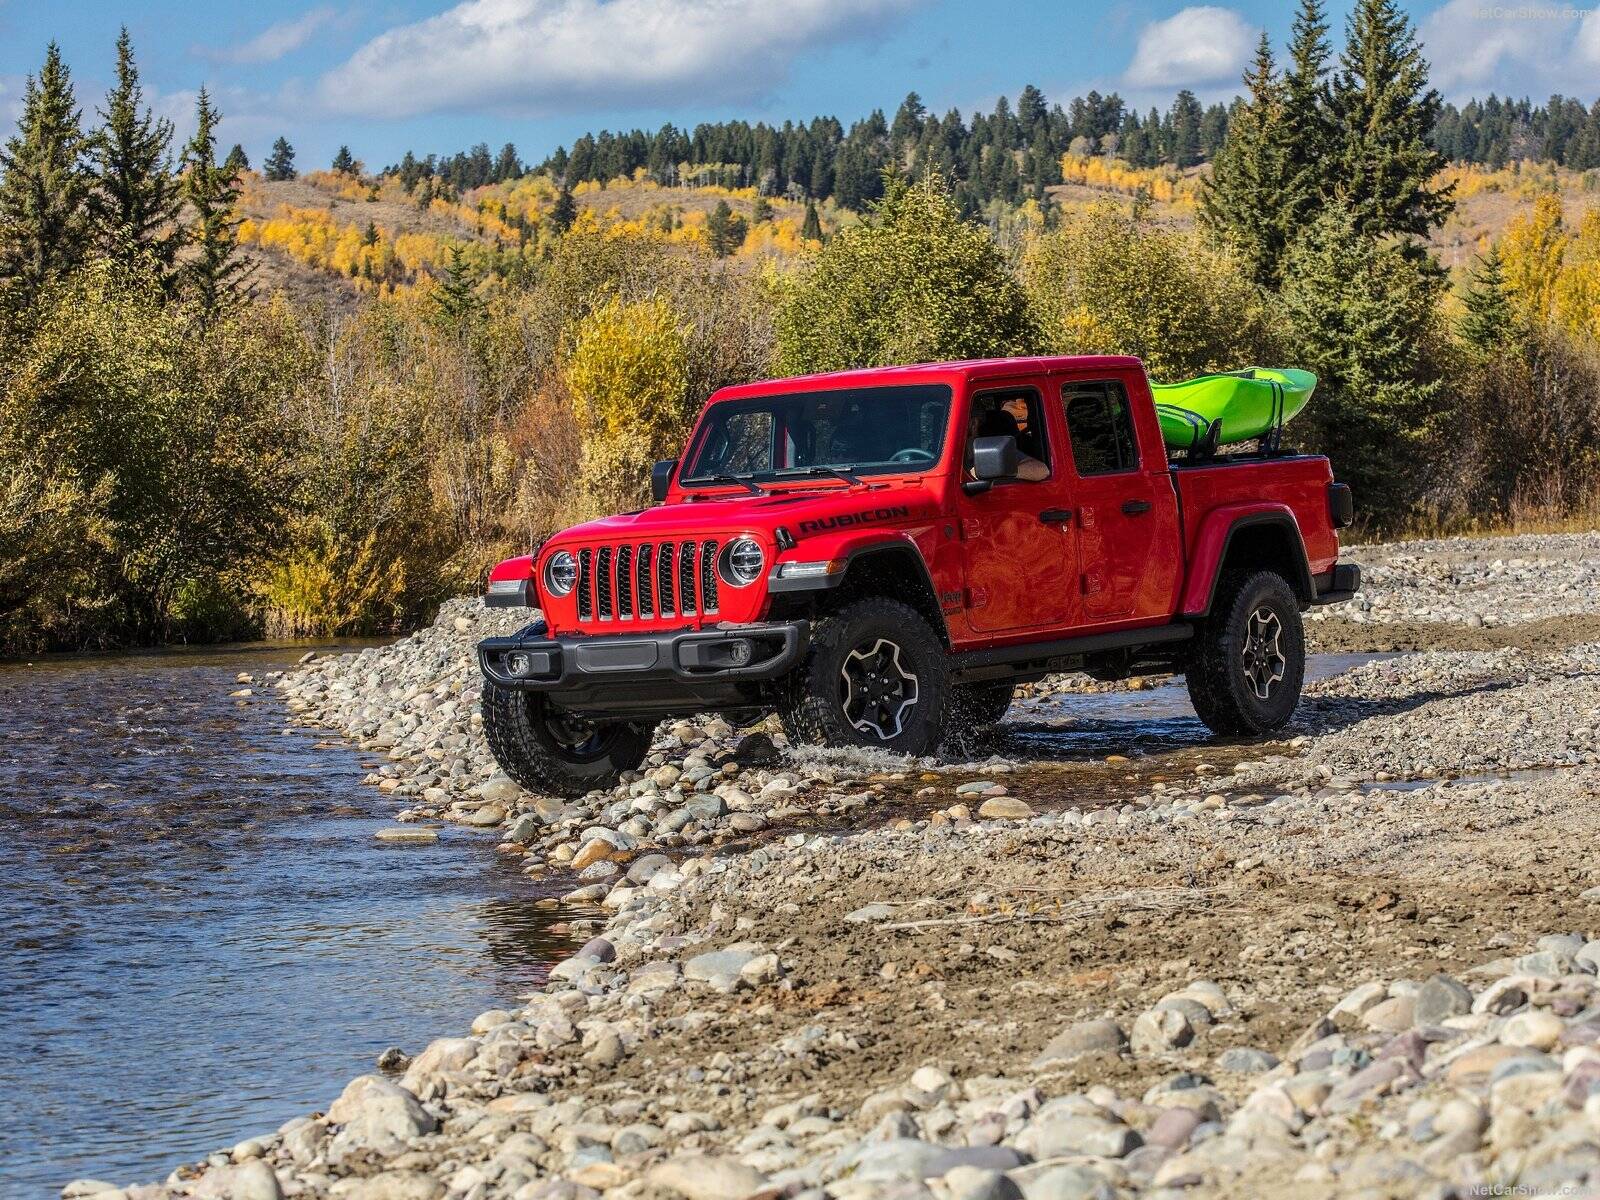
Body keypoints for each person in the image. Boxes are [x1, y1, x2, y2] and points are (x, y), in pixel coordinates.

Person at [968, 405, 1049, 481]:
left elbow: (1042, 470)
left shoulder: (994, 448)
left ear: (974, 423)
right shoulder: (957, 449)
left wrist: (991, 470)